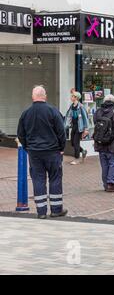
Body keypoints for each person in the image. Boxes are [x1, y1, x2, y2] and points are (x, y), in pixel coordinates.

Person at [17, 86, 67, 219]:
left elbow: (20, 135)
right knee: (55, 178)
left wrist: (28, 147)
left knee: (38, 180)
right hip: (52, 151)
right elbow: (61, 132)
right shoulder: (53, 111)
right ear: (45, 96)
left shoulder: (26, 113)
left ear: (33, 97)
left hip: (34, 153)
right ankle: (56, 210)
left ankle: (41, 212)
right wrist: (62, 148)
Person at [94, 94, 114, 193]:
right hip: (113, 143)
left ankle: (105, 185)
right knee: (112, 162)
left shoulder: (98, 111)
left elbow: (95, 123)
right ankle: (111, 184)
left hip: (100, 142)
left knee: (104, 164)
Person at [64, 91, 89, 165]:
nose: (71, 97)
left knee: (76, 143)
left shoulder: (80, 107)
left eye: (72, 96)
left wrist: (86, 129)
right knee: (72, 143)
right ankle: (83, 151)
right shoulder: (72, 106)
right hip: (74, 126)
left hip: (79, 127)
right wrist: (66, 125)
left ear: (76, 98)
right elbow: (68, 116)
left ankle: (77, 159)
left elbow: (85, 118)